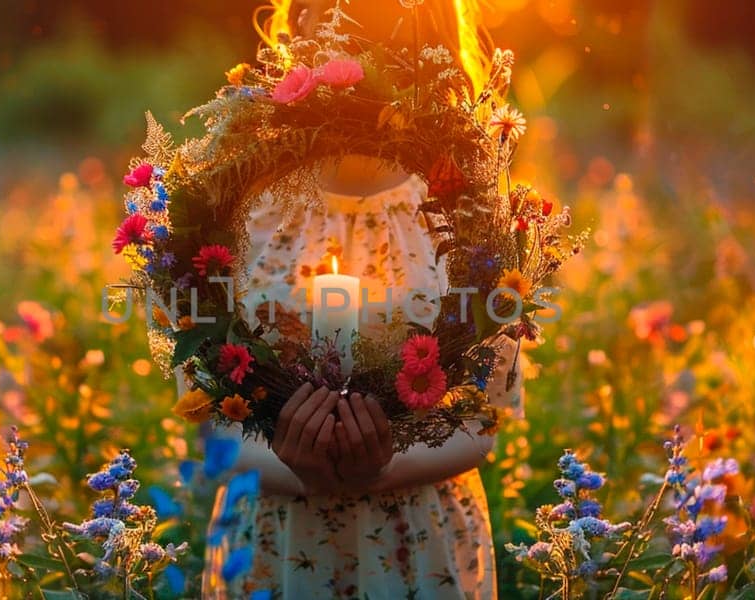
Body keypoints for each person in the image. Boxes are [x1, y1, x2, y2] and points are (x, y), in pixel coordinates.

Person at [199, 1, 520, 597]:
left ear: (427, 24)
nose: (343, 20)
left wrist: (380, 466)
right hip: (275, 541)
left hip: (415, 549)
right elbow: (206, 418)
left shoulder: (467, 203)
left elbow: (481, 420)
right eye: (324, 7)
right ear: (299, 21)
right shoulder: (240, 197)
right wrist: (302, 468)